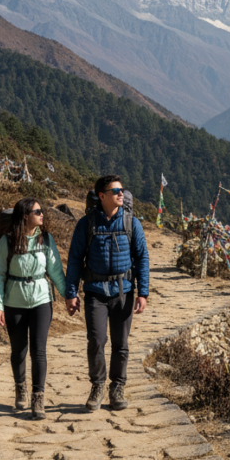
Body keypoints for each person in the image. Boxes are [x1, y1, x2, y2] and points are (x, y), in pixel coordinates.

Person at [64, 174, 149, 411]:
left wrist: (143, 293)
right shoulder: (86, 224)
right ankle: (98, 386)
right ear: (102, 196)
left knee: (121, 343)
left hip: (124, 291)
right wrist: (71, 293)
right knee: (96, 341)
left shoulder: (132, 223)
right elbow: (74, 259)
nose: (121, 194)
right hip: (95, 292)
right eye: (115, 191)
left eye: (122, 190)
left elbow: (142, 258)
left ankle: (117, 388)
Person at [0, 198, 67, 420]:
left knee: (38, 350)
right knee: (19, 350)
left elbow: (55, 271)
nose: (42, 214)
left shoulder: (46, 239)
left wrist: (68, 296)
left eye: (41, 211)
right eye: (37, 211)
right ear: (25, 216)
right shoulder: (7, 241)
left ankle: (38, 397)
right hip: (14, 301)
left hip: (41, 299)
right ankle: (20, 386)